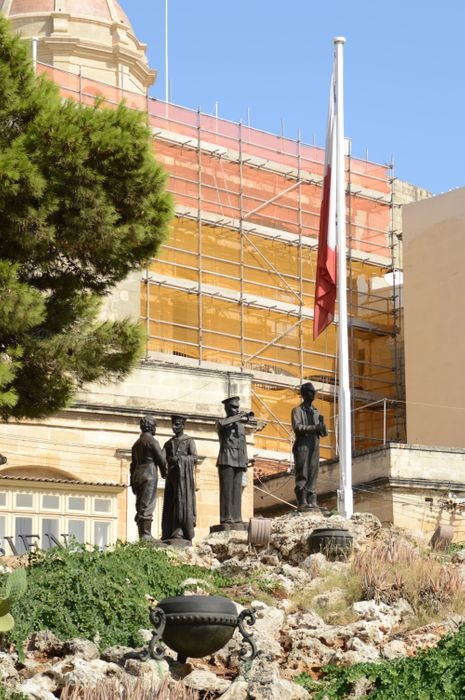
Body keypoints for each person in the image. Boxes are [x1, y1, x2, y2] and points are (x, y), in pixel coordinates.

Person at [216, 396, 253, 526]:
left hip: (239, 459)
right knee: (226, 490)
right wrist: (239, 416)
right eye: (233, 407)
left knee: (237, 490)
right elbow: (223, 424)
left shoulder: (240, 427)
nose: (236, 410)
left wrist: (245, 460)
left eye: (237, 407)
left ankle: (237, 517)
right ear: (227, 408)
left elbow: (243, 444)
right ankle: (226, 517)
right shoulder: (222, 422)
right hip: (226, 458)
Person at [291, 382, 328, 511]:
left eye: (314, 392)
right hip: (302, 445)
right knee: (303, 472)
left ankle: (312, 500)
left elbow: (324, 433)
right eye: (311, 391)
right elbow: (297, 427)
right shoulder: (297, 410)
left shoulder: (316, 412)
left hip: (314, 445)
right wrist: (314, 427)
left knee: (313, 471)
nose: (313, 394)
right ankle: (302, 501)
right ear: (304, 394)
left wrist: (322, 427)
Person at [161, 414, 198, 543]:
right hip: (171, 478)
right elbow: (161, 458)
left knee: (181, 502)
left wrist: (180, 459)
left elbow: (194, 458)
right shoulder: (168, 443)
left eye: (176, 424)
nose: (174, 427)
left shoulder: (189, 441)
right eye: (173, 424)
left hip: (183, 479)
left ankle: (179, 530)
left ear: (183, 425)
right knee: (170, 502)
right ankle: (168, 530)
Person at [130, 415, 167, 541]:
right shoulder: (152, 442)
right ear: (151, 427)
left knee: (140, 504)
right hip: (149, 474)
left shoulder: (136, 444)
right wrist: (164, 471)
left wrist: (132, 480)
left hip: (137, 474)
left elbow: (132, 465)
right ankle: (146, 534)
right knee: (148, 504)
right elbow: (161, 460)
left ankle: (142, 534)